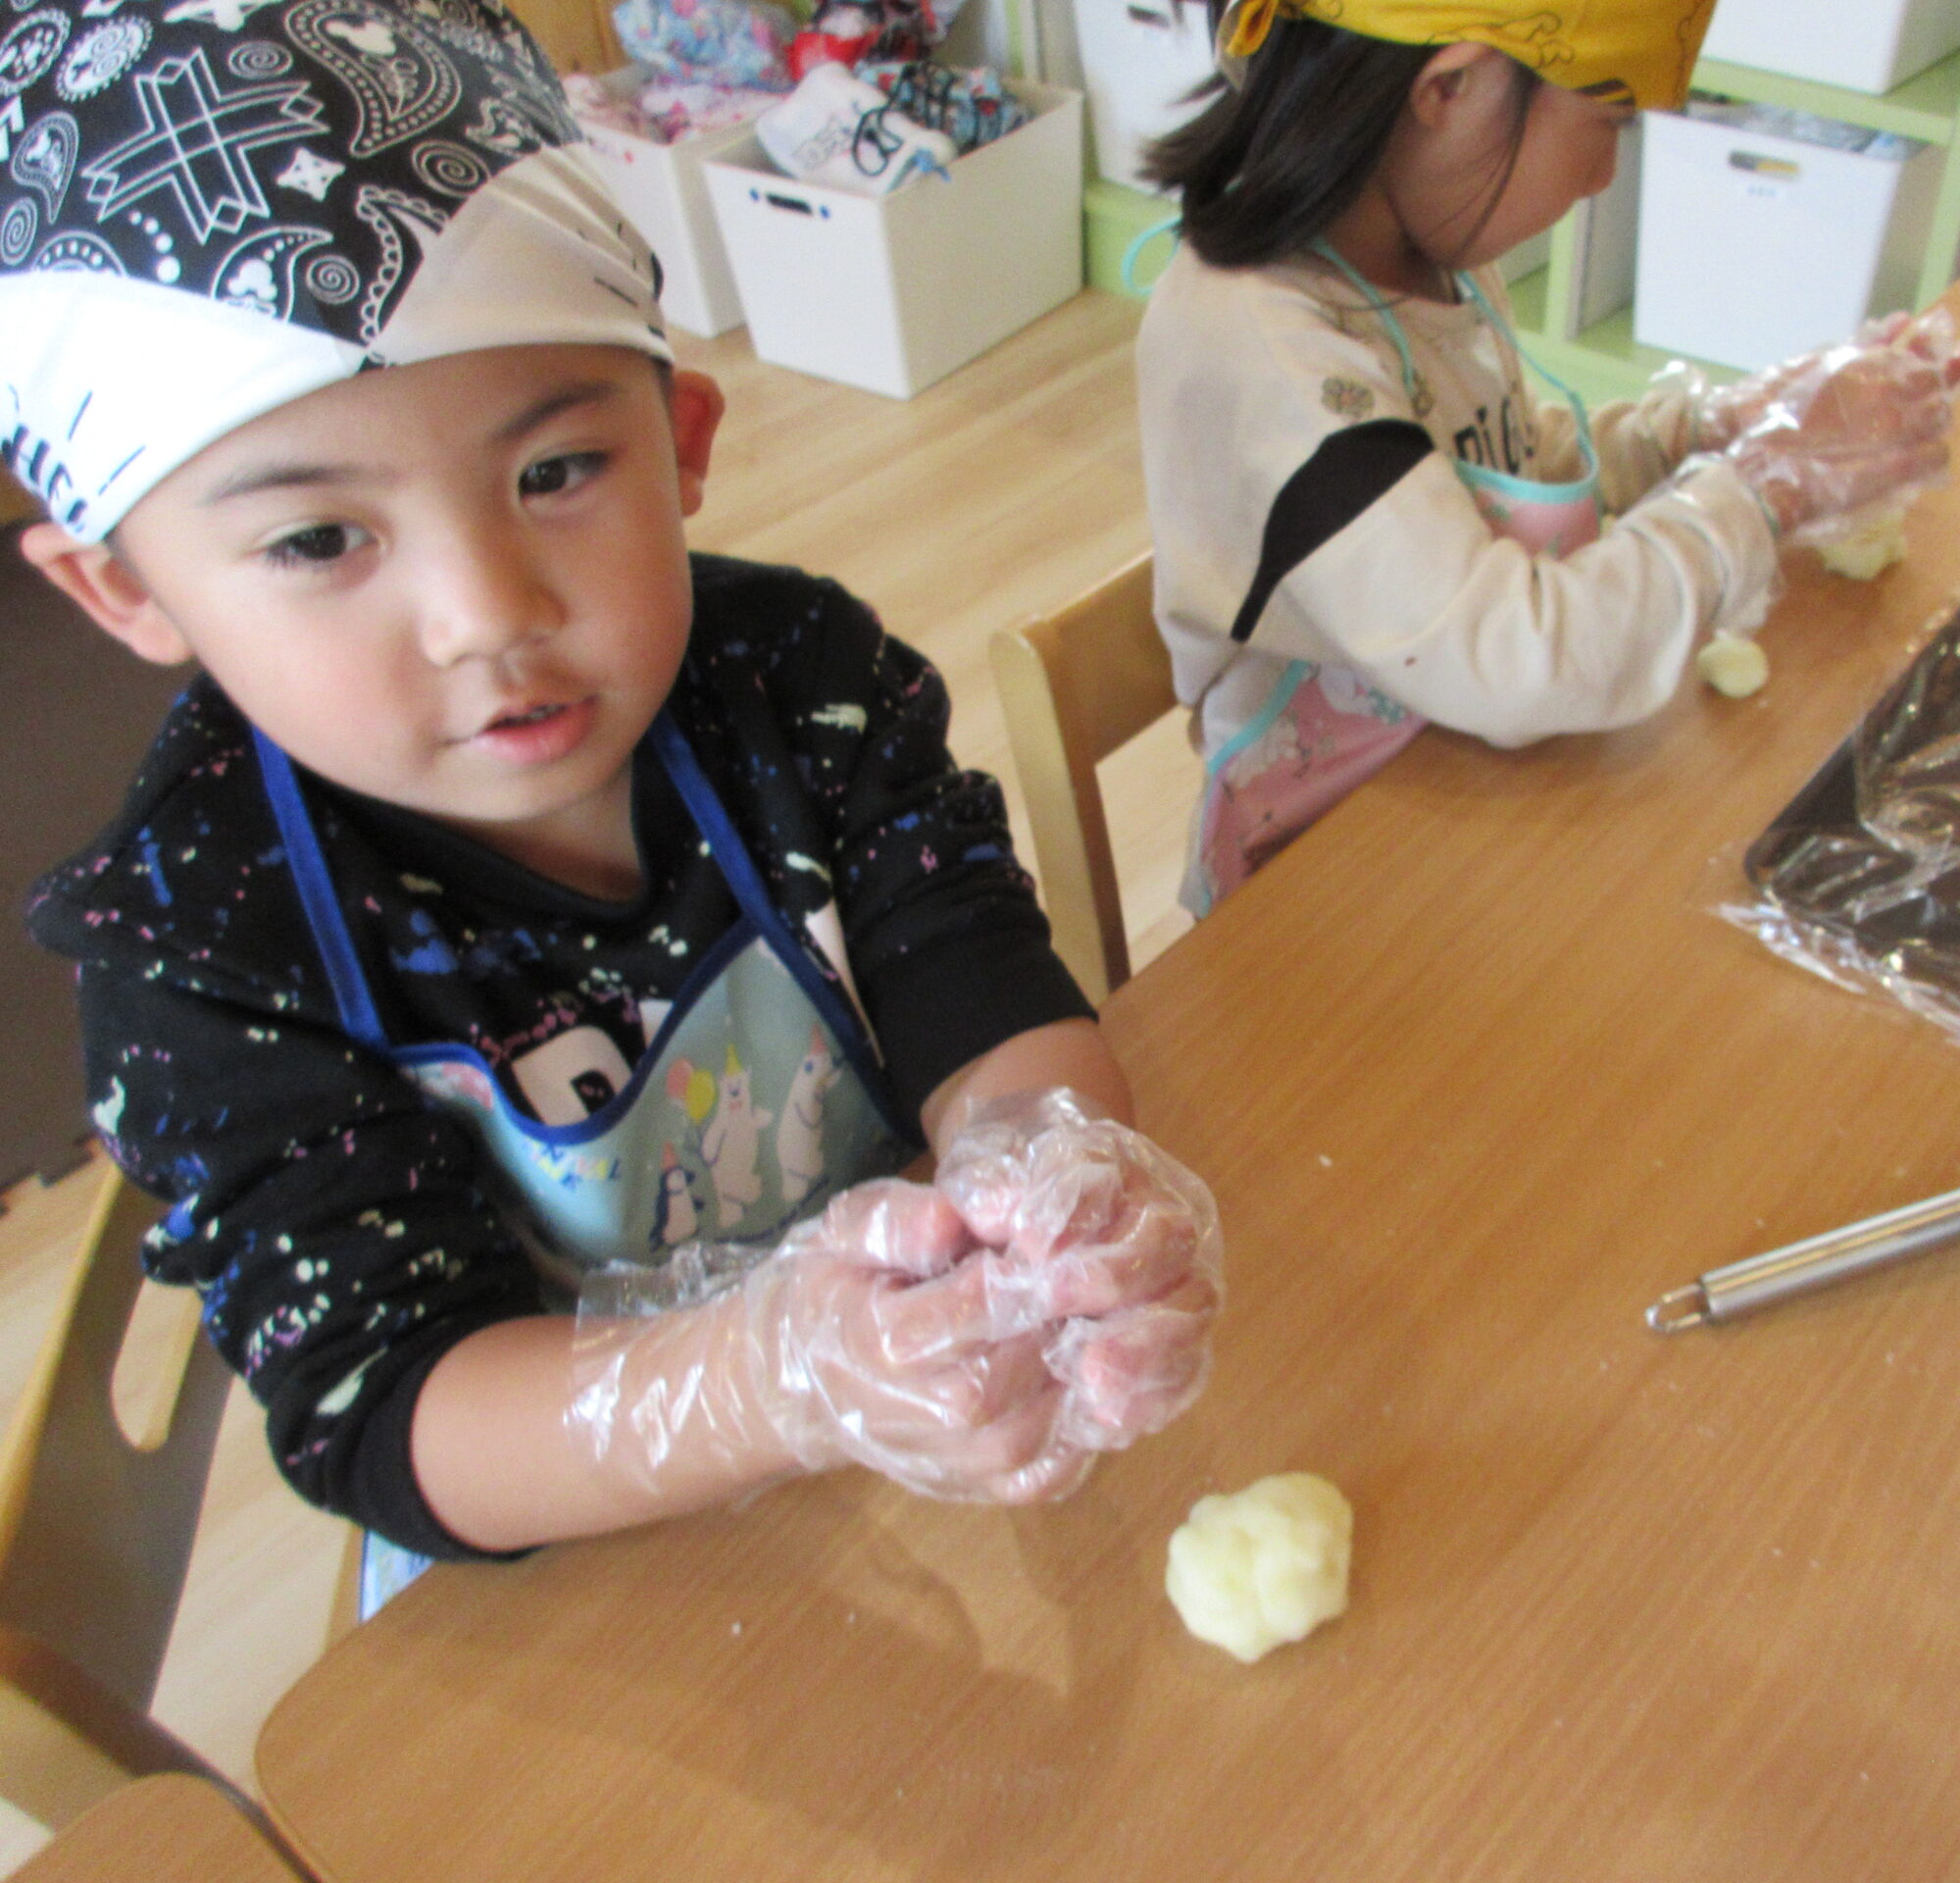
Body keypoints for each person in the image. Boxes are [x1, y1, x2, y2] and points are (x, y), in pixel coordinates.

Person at [4, 0, 1220, 1593]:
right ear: (124, 589)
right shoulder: (202, 939)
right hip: (569, 1527)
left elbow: (977, 982)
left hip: (931, 1398)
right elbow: (394, 1407)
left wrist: (1045, 1178)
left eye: (554, 474)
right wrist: (774, 1380)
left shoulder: (799, 680)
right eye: (316, 541)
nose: (488, 613)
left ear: (681, 436)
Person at [1134, 0, 1960, 912]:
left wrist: (1714, 431)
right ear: (1448, 90)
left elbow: (1510, 473)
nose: (1604, 175)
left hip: (1469, 783)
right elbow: (1508, 656)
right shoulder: (1270, 350)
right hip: (1321, 871)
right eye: (1609, 123)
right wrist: (1764, 488)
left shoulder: (1425, 253)